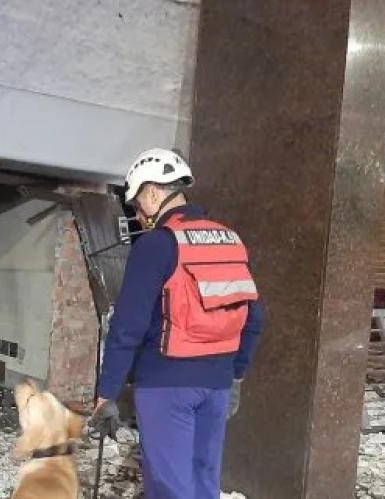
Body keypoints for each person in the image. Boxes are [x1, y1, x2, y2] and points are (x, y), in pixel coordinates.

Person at [90, 148, 265, 499]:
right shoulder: (229, 239)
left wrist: (106, 393)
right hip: (217, 383)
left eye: (138, 205)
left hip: (166, 385)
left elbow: (127, 327)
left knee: (170, 487)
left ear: (153, 192)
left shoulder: (157, 244)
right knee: (203, 481)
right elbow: (254, 316)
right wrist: (236, 377)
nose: (138, 215)